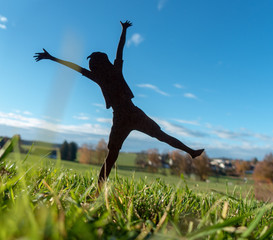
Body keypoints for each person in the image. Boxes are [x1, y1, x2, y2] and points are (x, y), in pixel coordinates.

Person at [34, 20, 204, 193]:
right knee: (137, 145)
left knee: (117, 153)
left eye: (93, 64)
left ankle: (191, 151)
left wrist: (52, 58)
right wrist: (123, 30)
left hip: (126, 116)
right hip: (130, 114)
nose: (91, 67)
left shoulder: (104, 74)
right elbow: (113, 52)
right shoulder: (110, 72)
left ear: (98, 65)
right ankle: (191, 151)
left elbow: (83, 65)